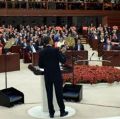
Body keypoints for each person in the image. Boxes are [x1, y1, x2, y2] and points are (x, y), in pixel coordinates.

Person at [38, 36, 68, 118]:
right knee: (59, 94)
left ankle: (51, 113)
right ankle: (62, 111)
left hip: (47, 75)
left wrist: (47, 66)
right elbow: (63, 60)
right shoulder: (55, 50)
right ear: (50, 41)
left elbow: (40, 65)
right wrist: (62, 53)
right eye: (51, 40)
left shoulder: (42, 52)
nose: (52, 41)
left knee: (49, 94)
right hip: (56, 75)